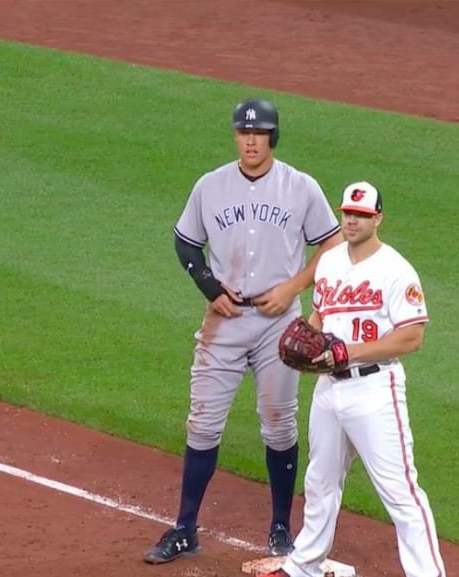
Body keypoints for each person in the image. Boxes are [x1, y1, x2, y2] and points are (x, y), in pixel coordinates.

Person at [143, 98, 342, 564]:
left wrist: (292, 286)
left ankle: (279, 528)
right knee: (204, 422)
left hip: (279, 324)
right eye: (243, 132)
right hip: (225, 323)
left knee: (278, 424)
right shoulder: (210, 186)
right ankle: (185, 528)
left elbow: (332, 244)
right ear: (235, 135)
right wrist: (209, 287)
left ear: (273, 137)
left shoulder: (301, 187)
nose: (251, 140)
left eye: (259, 133)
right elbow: (186, 241)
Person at [265, 181, 446, 577]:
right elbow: (321, 318)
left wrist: (351, 352)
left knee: (401, 494)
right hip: (329, 389)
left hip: (375, 390)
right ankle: (304, 565)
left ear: (377, 218)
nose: (352, 220)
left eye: (362, 215)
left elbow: (412, 337)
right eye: (348, 213)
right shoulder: (329, 262)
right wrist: (305, 337)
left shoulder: (396, 269)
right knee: (320, 481)